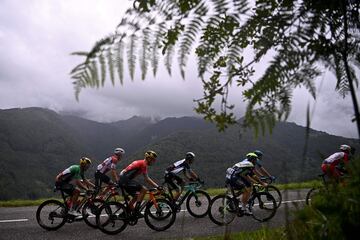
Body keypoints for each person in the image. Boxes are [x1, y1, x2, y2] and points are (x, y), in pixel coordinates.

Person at [118, 150, 160, 217]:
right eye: (152, 160)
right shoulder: (143, 164)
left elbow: (124, 172)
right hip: (125, 180)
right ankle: (136, 211)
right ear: (148, 158)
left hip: (123, 180)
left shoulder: (141, 163)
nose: (153, 161)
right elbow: (147, 179)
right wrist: (158, 187)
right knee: (144, 189)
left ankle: (124, 213)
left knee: (136, 196)